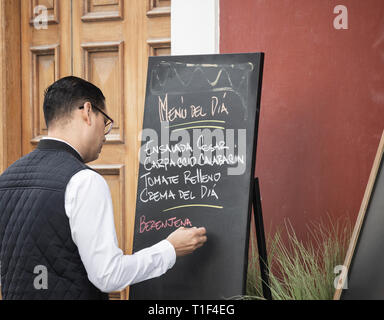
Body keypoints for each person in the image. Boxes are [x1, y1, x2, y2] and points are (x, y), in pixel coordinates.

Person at [0, 76, 207, 300]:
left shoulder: (6, 178)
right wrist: (170, 249)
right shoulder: (83, 181)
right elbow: (108, 274)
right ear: (87, 112)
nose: (106, 134)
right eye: (106, 121)